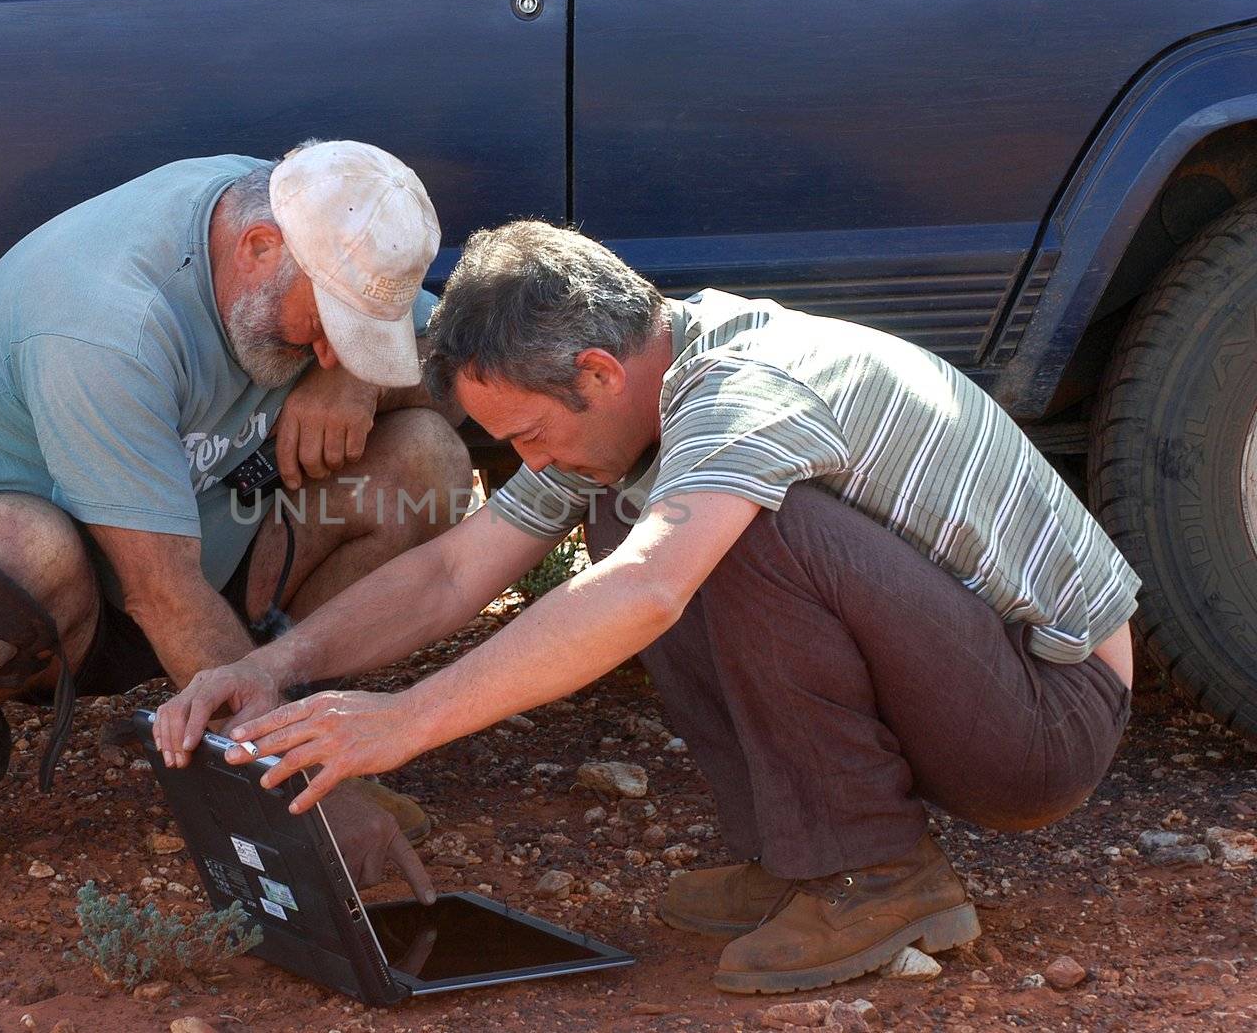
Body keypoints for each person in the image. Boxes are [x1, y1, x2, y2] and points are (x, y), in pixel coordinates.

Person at [160, 220, 1139, 994]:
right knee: (626, 508)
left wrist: (406, 719)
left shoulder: (737, 391)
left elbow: (647, 586)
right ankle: (799, 851)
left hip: (1047, 711)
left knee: (734, 533)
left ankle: (877, 876)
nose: (529, 459)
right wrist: (271, 665)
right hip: (975, 678)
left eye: (532, 433)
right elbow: (456, 570)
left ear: (596, 369)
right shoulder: (642, 392)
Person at [0, 141, 469, 900]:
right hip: (55, 585)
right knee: (11, 554)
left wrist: (359, 383)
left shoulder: (304, 223)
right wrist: (314, 796)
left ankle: (299, 727)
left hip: (208, 541)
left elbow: (458, 372)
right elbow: (160, 592)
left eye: (360, 330)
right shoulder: (104, 320)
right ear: (259, 249)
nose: (336, 346)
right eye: (330, 321)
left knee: (425, 460)